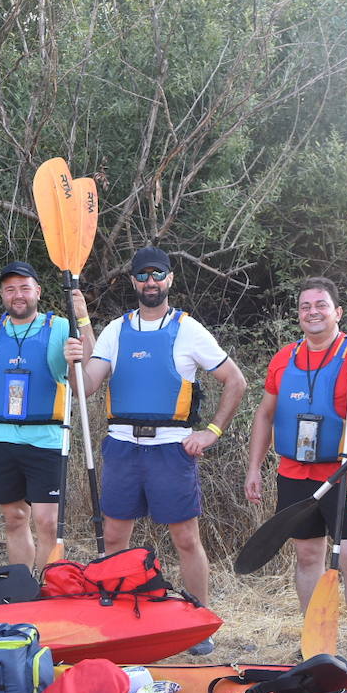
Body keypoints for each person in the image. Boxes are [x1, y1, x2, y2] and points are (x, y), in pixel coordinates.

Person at [64, 246, 247, 655]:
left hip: (170, 448)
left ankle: (198, 622)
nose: (150, 282)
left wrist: (212, 432)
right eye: (142, 276)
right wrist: (75, 359)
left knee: (185, 539)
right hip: (123, 446)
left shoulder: (188, 329)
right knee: (114, 536)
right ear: (133, 282)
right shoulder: (116, 329)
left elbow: (235, 381)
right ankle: (122, 618)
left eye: (157, 275)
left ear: (169, 280)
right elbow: (87, 386)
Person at [244, 277, 347, 662]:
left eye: (321, 305)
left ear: (338, 312)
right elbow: (265, 414)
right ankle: (317, 642)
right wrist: (254, 468)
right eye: (306, 306)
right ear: (299, 315)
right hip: (294, 474)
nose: (313, 312)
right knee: (308, 558)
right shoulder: (284, 357)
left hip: (345, 472)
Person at [0, 261, 88, 571]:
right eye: (10, 289)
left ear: (38, 292)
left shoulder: (59, 327)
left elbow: (87, 372)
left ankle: (49, 588)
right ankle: (23, 589)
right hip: (2, 441)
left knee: (48, 522)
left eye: (24, 288)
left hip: (47, 440)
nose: (18, 295)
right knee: (15, 519)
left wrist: (82, 318)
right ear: (3, 295)